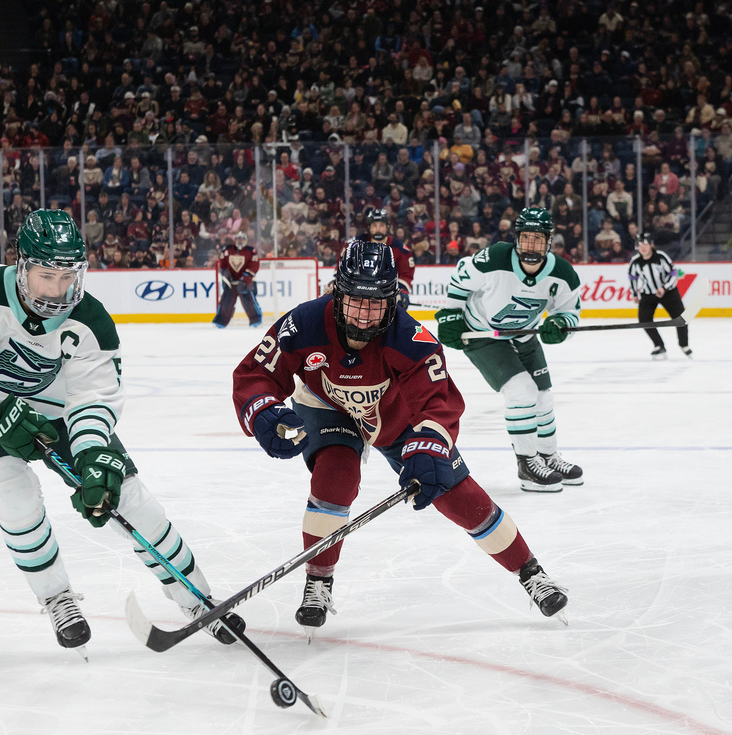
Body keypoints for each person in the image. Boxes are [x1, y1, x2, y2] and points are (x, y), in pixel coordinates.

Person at [0, 210, 245, 656]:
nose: (57, 291)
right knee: (11, 491)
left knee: (128, 497)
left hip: (56, 414)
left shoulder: (90, 320)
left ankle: (199, 600)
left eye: (67, 278)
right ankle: (56, 597)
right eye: (45, 277)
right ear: (22, 268)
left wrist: (93, 454)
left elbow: (92, 399)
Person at [231, 240, 568, 639]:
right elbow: (256, 374)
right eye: (356, 301)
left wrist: (427, 446)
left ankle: (530, 571)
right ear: (337, 292)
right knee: (334, 478)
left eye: (376, 304)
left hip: (395, 417)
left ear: (392, 301)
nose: (364, 316)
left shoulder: (409, 337)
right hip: (326, 407)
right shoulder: (302, 323)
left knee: (455, 492)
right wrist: (263, 410)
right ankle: (319, 579)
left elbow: (438, 402)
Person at [434, 207, 584, 493]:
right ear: (517, 239)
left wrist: (561, 324)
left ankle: (547, 456)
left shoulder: (562, 274)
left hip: (523, 334)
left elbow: (569, 311)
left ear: (549, 242)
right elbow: (462, 277)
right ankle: (527, 464)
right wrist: (451, 314)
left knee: (543, 396)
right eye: (526, 238)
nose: (531, 245)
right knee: (521, 391)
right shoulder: (495, 258)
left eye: (538, 239)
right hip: (481, 334)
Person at [626, 232, 691, 359]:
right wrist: (635, 293)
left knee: (681, 319)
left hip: (669, 293)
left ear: (651, 245)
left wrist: (664, 288)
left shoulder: (661, 257)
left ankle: (684, 345)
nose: (642, 247)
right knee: (644, 321)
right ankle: (659, 345)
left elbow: (673, 273)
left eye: (645, 244)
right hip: (648, 294)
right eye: (639, 245)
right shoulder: (635, 261)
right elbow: (633, 278)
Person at [212, 232, 262, 328]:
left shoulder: (251, 251)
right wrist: (226, 275)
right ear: (235, 240)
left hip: (245, 282)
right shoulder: (227, 249)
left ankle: (256, 321)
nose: (240, 241)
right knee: (226, 301)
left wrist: (244, 279)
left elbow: (254, 266)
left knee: (249, 301)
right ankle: (220, 322)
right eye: (238, 239)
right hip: (231, 283)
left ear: (245, 240)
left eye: (242, 239)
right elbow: (222, 265)